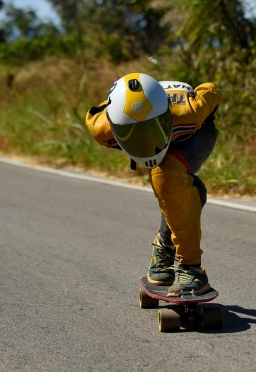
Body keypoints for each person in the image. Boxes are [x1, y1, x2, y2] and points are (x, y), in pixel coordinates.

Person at [85, 73, 222, 296]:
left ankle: (191, 269)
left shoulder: (190, 111)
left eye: (151, 128)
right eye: (132, 133)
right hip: (166, 122)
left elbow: (212, 90)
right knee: (175, 191)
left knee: (167, 177)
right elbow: (97, 111)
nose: (146, 141)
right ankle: (164, 244)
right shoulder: (101, 127)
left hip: (193, 134)